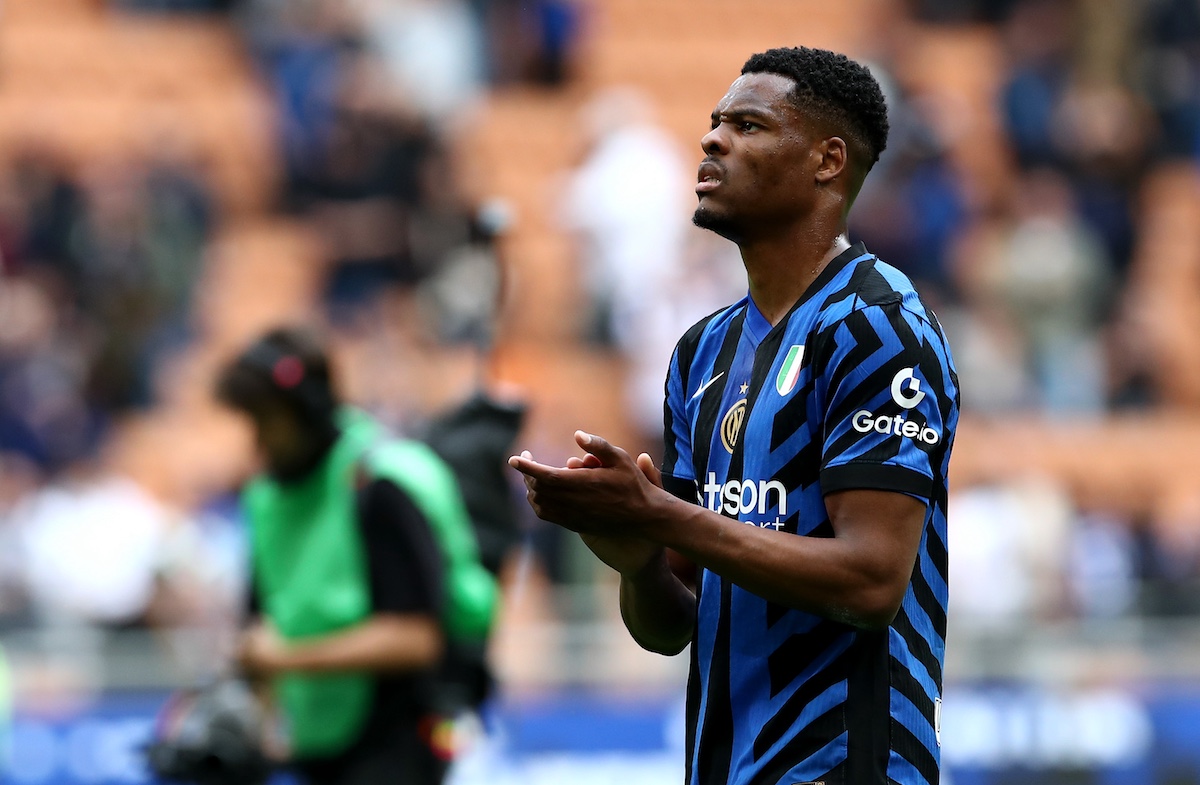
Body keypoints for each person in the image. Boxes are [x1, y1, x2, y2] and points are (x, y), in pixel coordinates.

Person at [509, 46, 959, 785]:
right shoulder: (702, 351)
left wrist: (659, 515)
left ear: (827, 160)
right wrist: (633, 555)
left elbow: (872, 583)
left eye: (748, 125)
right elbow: (671, 623)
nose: (712, 139)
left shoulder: (877, 325)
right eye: (716, 122)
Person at [215, 327, 497, 785]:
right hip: (315, 739)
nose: (257, 441)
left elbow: (416, 638)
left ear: (302, 412)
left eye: (266, 421)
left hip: (397, 738)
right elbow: (261, 621)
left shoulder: (374, 483)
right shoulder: (266, 498)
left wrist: (286, 659)